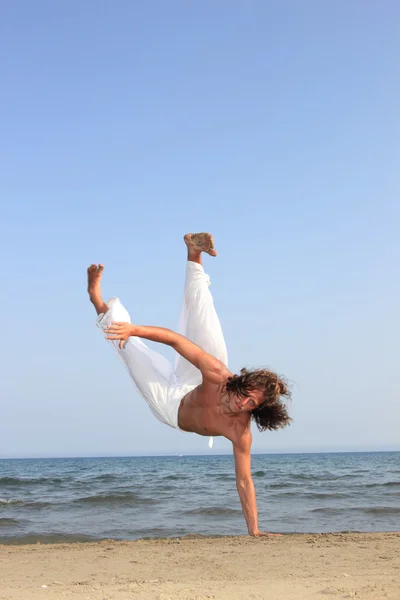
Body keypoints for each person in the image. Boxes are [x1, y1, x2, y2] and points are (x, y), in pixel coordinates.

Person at [87, 233, 291, 536]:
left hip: (169, 406)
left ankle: (97, 301)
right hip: (193, 382)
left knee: (129, 350)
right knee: (202, 319)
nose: (243, 405)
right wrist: (136, 328)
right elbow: (175, 340)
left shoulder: (240, 431)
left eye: (252, 405)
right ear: (241, 384)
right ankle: (194, 254)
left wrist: (255, 531)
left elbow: (244, 481)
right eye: (246, 396)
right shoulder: (219, 374)